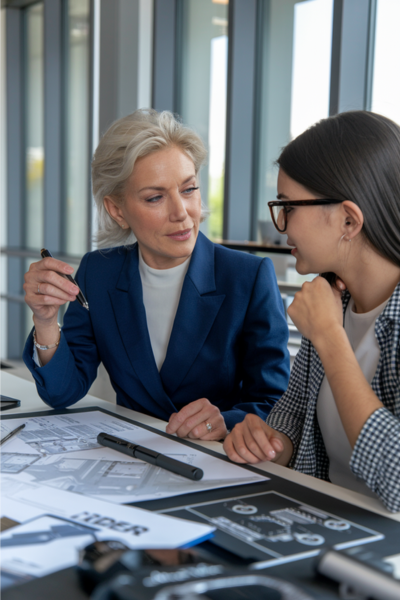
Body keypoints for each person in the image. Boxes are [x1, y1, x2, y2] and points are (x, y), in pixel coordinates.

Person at [23, 109, 290, 441]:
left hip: (218, 463)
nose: (182, 213)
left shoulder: (248, 277)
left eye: (189, 189)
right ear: (117, 210)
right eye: (155, 197)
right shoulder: (99, 272)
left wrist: (226, 421)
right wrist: (46, 320)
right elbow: (62, 392)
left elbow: (275, 404)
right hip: (130, 459)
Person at [223, 110, 400, 512]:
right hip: (325, 526)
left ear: (348, 220)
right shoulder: (333, 297)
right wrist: (268, 444)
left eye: (289, 207)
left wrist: (330, 337)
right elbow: (294, 417)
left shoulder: (326, 319)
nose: (281, 226)